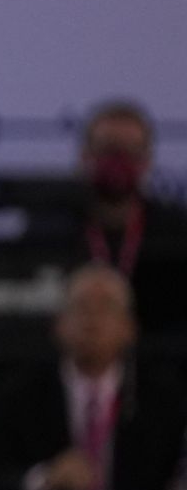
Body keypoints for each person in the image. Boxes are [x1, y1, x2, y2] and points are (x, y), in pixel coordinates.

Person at [0, 263, 186, 490]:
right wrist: (44, 479)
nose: (92, 319)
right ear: (58, 325)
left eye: (106, 307)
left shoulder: (164, 396)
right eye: (81, 307)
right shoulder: (20, 393)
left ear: (129, 328)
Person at [73, 99, 187, 333]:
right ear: (85, 156)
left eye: (130, 152)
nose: (119, 162)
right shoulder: (52, 230)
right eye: (108, 150)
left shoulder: (177, 232)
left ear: (147, 161)